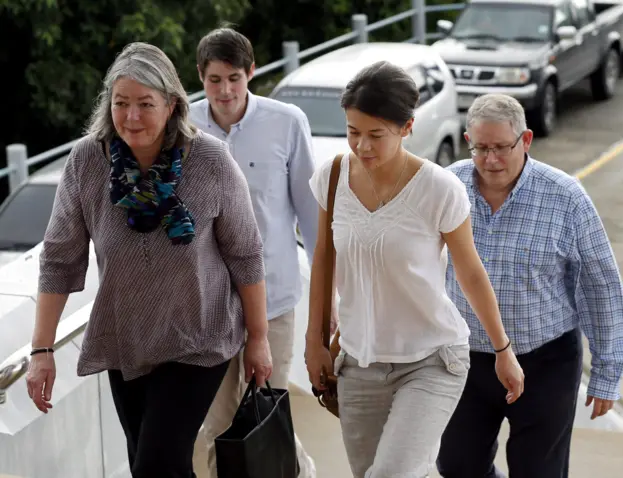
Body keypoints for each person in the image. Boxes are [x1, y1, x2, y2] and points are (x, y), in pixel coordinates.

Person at [25, 42, 272, 478]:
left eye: (145, 104)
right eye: (121, 103)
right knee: (150, 465)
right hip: (128, 341)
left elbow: (245, 254)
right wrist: (42, 350)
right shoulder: (87, 162)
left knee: (159, 463)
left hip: (200, 337)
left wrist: (259, 337)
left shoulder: (211, 161)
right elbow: (59, 259)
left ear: (173, 104)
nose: (131, 117)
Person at [304, 61, 525, 478]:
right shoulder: (331, 177)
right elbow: (323, 258)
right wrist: (314, 339)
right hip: (357, 364)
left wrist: (502, 350)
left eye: (375, 135)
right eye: (353, 132)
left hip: (431, 360)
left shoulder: (439, 189)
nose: (362, 146)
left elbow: (471, 272)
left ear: (406, 128)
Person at [436, 93, 623, 478]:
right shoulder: (446, 186)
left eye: (501, 148)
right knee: (457, 465)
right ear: (467, 140)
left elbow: (600, 284)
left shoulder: (566, 197)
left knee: (539, 472)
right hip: (466, 358)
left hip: (546, 361)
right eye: (480, 148)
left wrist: (608, 373)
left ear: (525, 140)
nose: (490, 160)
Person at [188, 27, 318, 478]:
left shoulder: (287, 121)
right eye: (214, 80)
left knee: (265, 412)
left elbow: (311, 215)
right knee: (217, 424)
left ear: (252, 73)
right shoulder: (181, 125)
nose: (225, 91)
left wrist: (328, 302)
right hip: (207, 305)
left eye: (234, 78)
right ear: (200, 78)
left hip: (275, 297)